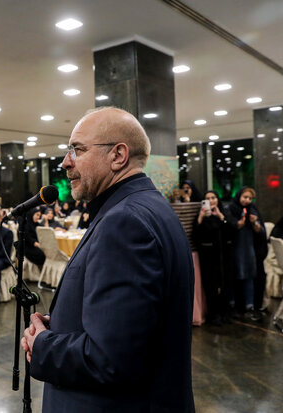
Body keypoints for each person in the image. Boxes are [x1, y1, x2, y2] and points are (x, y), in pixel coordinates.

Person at [21, 107, 195, 413]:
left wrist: (43, 346)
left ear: (118, 156)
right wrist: (63, 323)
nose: (65, 162)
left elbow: (111, 360)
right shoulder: (147, 207)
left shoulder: (124, 222)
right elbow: (132, 324)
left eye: (77, 149)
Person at [193, 191, 237, 326]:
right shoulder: (202, 216)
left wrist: (220, 216)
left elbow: (231, 230)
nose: (211, 201)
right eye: (207, 198)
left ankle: (225, 313)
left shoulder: (223, 213)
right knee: (211, 287)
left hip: (224, 256)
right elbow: (196, 236)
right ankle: (213, 315)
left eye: (213, 198)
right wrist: (200, 218)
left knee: (225, 285)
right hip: (208, 257)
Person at [226, 187, 267, 320]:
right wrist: (238, 224)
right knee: (234, 276)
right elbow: (227, 227)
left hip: (249, 249)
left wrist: (254, 223)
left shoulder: (253, 209)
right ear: (239, 196)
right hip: (234, 248)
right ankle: (232, 305)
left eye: (250, 198)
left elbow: (261, 231)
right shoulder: (230, 208)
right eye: (245, 197)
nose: (247, 200)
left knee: (249, 275)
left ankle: (249, 306)